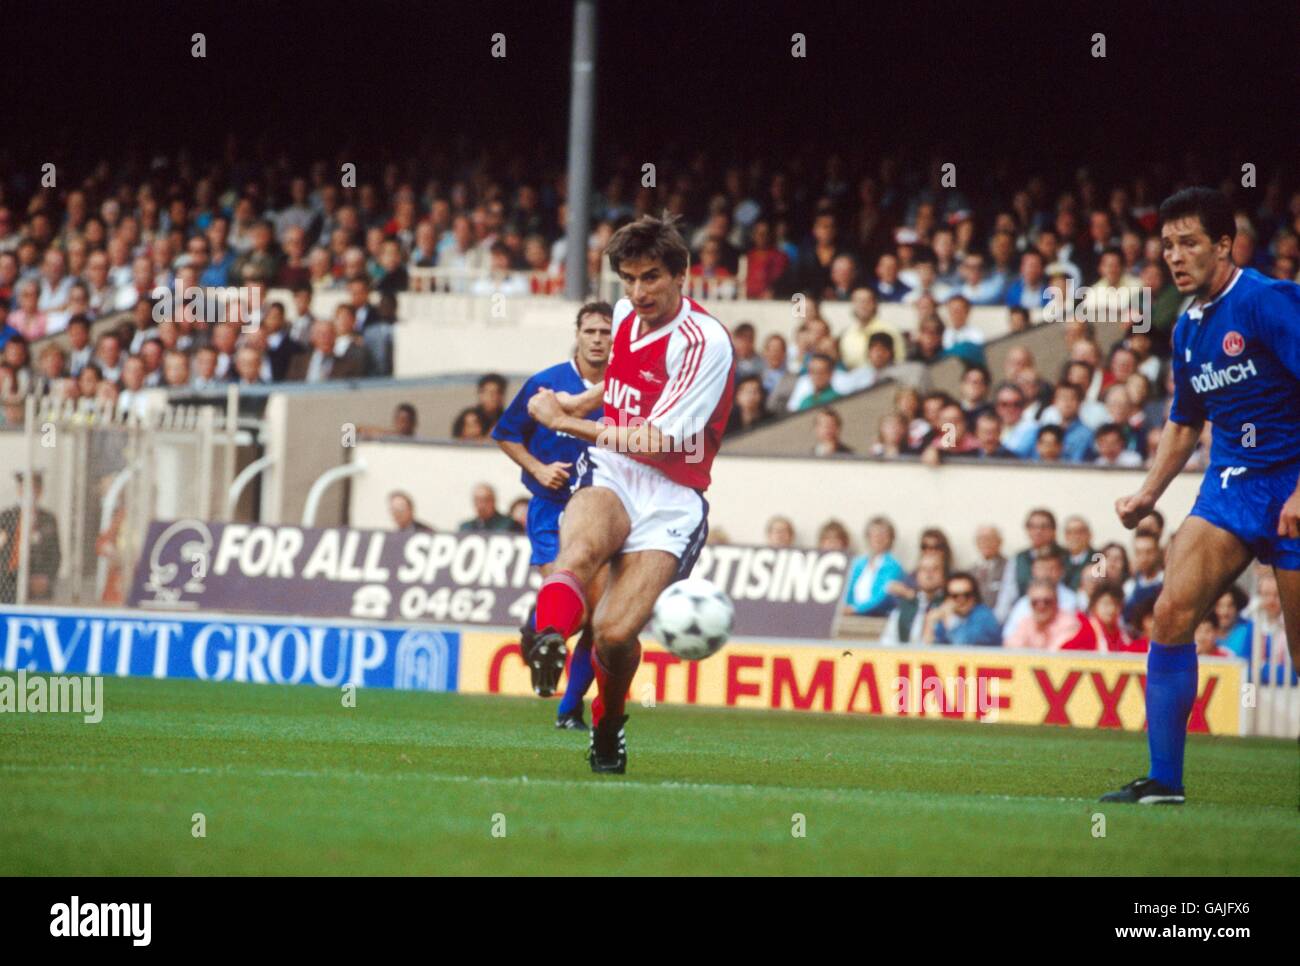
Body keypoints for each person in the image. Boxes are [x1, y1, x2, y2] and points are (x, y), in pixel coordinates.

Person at [1101, 187, 1300, 806]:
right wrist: (1148, 493)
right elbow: (1186, 422)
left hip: (1291, 477)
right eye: (1167, 245)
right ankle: (1165, 780)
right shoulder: (1186, 328)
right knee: (1169, 611)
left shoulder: (1268, 301)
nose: (1176, 256)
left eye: (1189, 243)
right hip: (1233, 486)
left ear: (1224, 244)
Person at [524, 214, 735, 774]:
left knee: (614, 635)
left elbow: (657, 438)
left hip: (672, 491)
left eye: (651, 278)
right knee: (577, 552)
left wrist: (565, 424)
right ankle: (547, 636)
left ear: (682, 275)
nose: (638, 292)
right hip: (614, 470)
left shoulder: (703, 343)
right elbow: (619, 380)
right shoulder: (623, 314)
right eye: (628, 278)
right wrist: (577, 403)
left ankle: (608, 725)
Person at [492, 301, 613, 726]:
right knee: (570, 599)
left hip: (604, 512)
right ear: (577, 334)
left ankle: (568, 707)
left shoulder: (625, 388)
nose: (598, 339)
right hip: (553, 509)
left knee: (600, 617)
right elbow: (506, 435)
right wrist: (538, 468)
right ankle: (543, 629)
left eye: (606, 331)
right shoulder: (545, 384)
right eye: (591, 331)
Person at [0, 471, 61, 604]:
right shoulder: (6, 517)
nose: (28, 494)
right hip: (7, 580)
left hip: (36, 579)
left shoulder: (47, 519)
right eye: (23, 488)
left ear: (39, 491)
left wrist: (47, 578)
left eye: (33, 489)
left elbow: (55, 554)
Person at [842, 516, 906, 617]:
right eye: (874, 533)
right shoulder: (858, 563)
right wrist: (844, 607)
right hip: (851, 616)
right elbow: (847, 588)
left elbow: (883, 595)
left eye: (883, 534)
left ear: (890, 539)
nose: (878, 537)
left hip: (876, 618)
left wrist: (855, 609)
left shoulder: (893, 566)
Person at [927, 571, 1002, 646]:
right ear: (947, 599)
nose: (961, 600)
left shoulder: (985, 617)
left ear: (974, 596)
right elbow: (930, 647)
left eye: (967, 595)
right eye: (955, 596)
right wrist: (930, 623)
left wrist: (950, 620)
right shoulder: (948, 616)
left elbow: (965, 644)